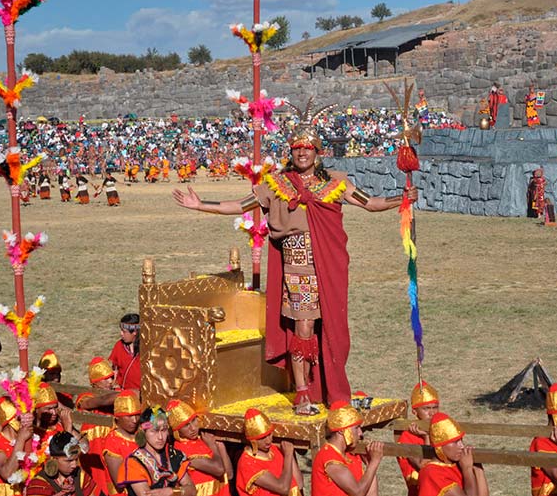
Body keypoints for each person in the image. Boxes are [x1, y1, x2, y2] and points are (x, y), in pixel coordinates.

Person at [173, 101, 418, 414]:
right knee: (303, 328)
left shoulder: (335, 183)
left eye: (308, 148)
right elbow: (239, 205)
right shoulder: (276, 184)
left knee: (330, 329)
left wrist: (403, 198)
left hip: (327, 268)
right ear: (292, 152)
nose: (302, 153)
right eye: (297, 148)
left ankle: (328, 388)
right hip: (297, 267)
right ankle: (303, 392)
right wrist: (200, 204)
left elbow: (370, 203)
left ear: (317, 152)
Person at [117, 406, 196, 496]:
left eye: (164, 430)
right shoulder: (134, 463)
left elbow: (192, 490)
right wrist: (181, 492)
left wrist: (171, 492)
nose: (160, 437)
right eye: (154, 431)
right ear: (143, 432)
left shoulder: (174, 455)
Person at [311, 400, 383, 496]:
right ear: (342, 431)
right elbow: (358, 492)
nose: (360, 433)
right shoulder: (329, 458)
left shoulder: (351, 456)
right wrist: (374, 463)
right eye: (356, 428)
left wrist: (369, 464)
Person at [166, 399, 232, 496]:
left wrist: (220, 446)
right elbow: (219, 470)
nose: (193, 428)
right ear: (177, 431)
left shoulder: (202, 438)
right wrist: (213, 446)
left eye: (193, 420)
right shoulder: (181, 451)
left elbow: (229, 475)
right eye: (186, 425)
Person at [418, 412, 489, 496]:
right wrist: (467, 469)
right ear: (439, 446)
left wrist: (478, 469)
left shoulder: (457, 463)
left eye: (461, 440)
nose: (462, 446)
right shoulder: (432, 473)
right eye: (455, 442)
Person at [236, 408, 302, 496]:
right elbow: (283, 489)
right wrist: (288, 454)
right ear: (253, 441)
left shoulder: (274, 449)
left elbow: (299, 483)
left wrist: (289, 452)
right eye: (262, 438)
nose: (268, 441)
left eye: (269, 434)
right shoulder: (248, 464)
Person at [77, 357, 120, 493]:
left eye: (111, 377)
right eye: (106, 379)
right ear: (95, 383)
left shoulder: (117, 392)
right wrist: (122, 395)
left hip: (113, 445)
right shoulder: (86, 396)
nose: (110, 382)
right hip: (94, 448)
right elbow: (95, 402)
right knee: (97, 483)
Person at [26, 431, 103, 496]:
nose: (74, 465)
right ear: (54, 459)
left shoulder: (81, 476)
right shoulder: (39, 484)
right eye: (69, 461)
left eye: (76, 459)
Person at [397, 381, 441, 496]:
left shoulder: (441, 430)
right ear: (414, 412)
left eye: (435, 408)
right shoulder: (406, 437)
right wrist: (426, 437)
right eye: (426, 409)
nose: (432, 413)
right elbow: (423, 466)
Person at [0, 397, 32, 496]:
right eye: (20, 417)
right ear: (10, 420)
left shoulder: (27, 438)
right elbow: (8, 474)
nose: (24, 420)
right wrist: (21, 440)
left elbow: (30, 472)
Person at [102, 391, 141, 496]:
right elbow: (120, 482)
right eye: (129, 416)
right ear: (117, 417)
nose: (134, 420)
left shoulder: (141, 432)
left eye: (137, 415)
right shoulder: (112, 442)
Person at [109, 313, 141, 391]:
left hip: (141, 394)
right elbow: (114, 369)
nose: (121, 334)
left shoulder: (146, 350)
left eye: (124, 331)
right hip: (123, 393)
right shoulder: (119, 345)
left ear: (135, 332)